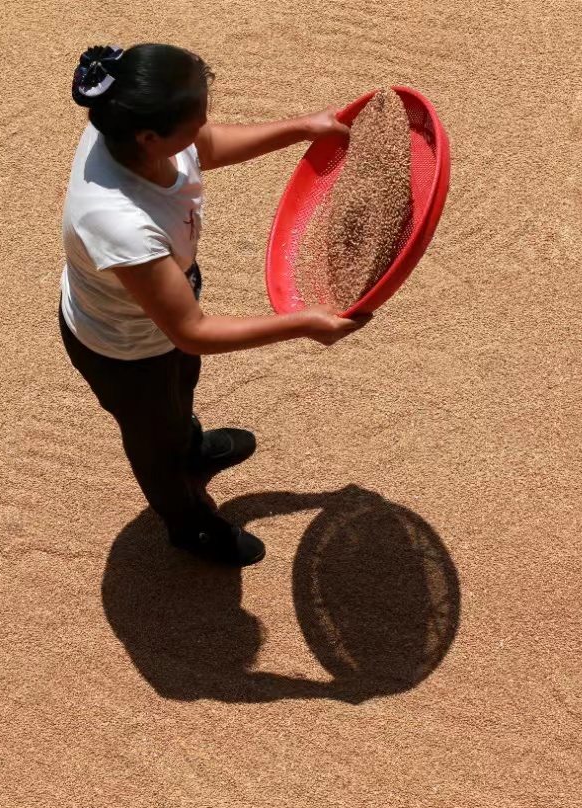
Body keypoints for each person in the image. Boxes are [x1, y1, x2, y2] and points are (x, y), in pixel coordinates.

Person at [58, 43, 370, 566]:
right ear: (150, 137)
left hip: (161, 314)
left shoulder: (131, 125)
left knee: (180, 391)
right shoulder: (117, 220)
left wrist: (303, 127)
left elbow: (206, 145)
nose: (206, 122)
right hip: (125, 350)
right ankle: (189, 525)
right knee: (153, 437)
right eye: (196, 115)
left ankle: (193, 448)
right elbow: (192, 331)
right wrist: (303, 324)